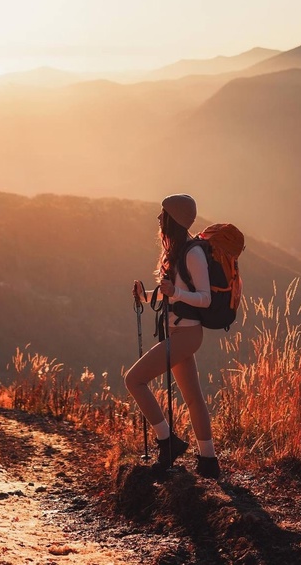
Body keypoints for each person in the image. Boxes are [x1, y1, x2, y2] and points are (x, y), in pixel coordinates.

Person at [124, 193, 220, 479]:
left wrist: (174, 292)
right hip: (178, 331)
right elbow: (170, 295)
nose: (158, 219)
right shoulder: (175, 251)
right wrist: (145, 296)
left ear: (173, 218)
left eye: (162, 213)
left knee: (134, 380)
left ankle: (168, 442)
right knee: (193, 399)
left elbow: (205, 299)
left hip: (188, 334)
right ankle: (208, 461)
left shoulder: (193, 253)